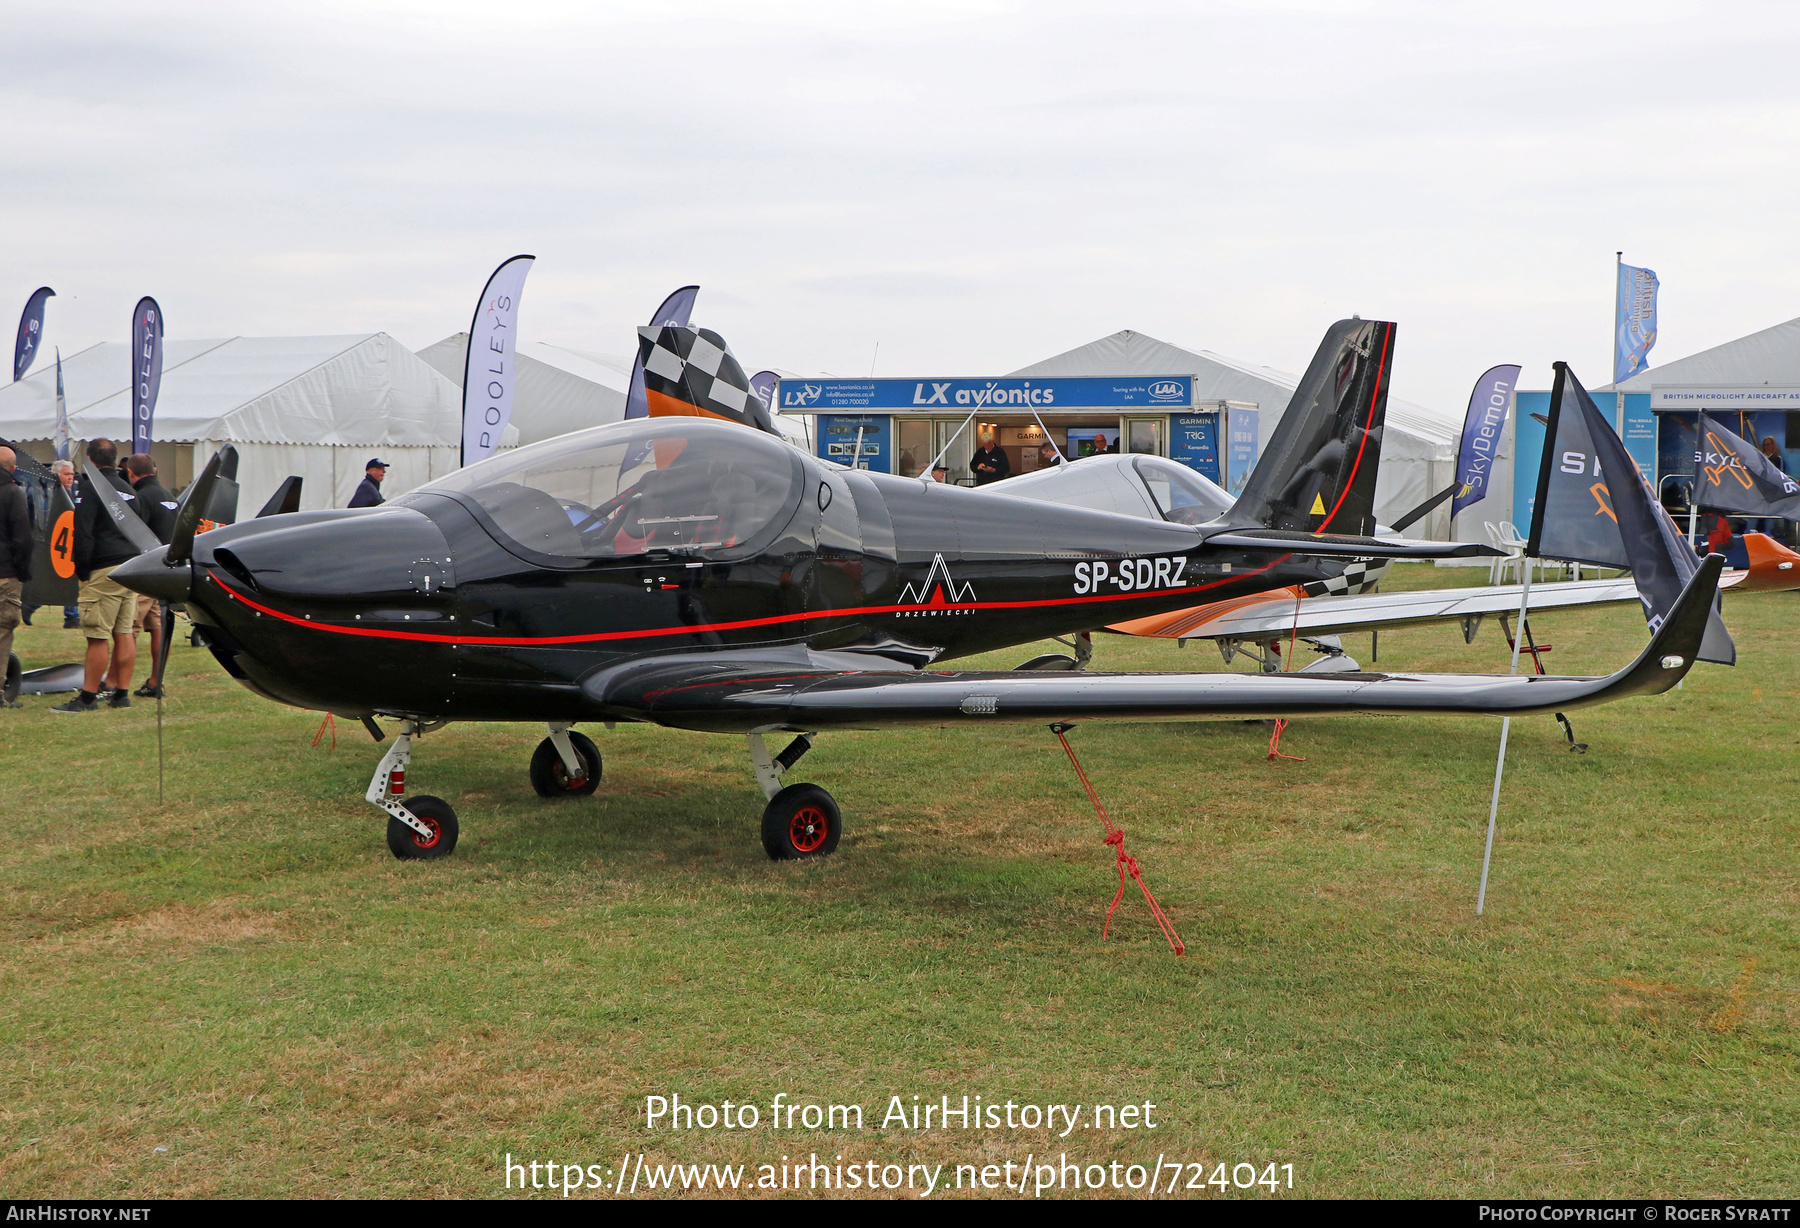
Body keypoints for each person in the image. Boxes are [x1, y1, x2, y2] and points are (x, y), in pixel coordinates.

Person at [52, 439, 141, 713]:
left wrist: (82, 570)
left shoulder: (91, 489)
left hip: (104, 569)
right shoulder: (129, 490)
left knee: (97, 635)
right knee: (124, 632)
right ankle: (121, 693)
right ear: (115, 460)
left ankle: (88, 697)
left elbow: (84, 532)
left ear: (90, 460)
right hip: (131, 568)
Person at [124, 454, 177, 698]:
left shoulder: (141, 498)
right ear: (154, 470)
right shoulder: (170, 496)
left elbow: (135, 534)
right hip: (166, 571)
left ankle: (118, 684)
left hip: (146, 571)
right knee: (157, 627)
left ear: (131, 473)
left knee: (130, 627)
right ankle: (157, 680)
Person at [0, 446, 33, 708]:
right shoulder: (12, 492)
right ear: (12, 468)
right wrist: (23, 571)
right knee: (2, 632)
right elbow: (23, 538)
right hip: (5, 573)